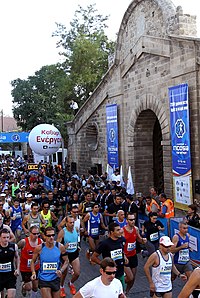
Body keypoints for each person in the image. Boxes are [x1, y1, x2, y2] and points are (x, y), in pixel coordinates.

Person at [30, 227, 68, 298]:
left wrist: (61, 270)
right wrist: (33, 272)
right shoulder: (39, 248)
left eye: (53, 235)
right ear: (44, 236)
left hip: (55, 279)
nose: (51, 237)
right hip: (44, 279)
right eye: (49, 235)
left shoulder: (60, 247)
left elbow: (66, 261)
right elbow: (32, 261)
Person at [91, 222, 127, 290]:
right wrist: (104, 264)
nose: (120, 232)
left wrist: (124, 257)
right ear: (111, 232)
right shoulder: (105, 243)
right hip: (109, 275)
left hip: (120, 273)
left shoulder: (122, 240)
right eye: (118, 230)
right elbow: (93, 257)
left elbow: (121, 250)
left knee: (121, 292)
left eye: (120, 229)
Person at [123, 212, 147, 295]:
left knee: (133, 279)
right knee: (130, 277)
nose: (132, 221)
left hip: (133, 255)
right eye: (130, 220)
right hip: (125, 257)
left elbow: (139, 239)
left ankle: (126, 292)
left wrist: (143, 241)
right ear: (127, 220)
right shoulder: (122, 231)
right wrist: (123, 255)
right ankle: (118, 282)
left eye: (133, 219)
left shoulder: (136, 229)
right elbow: (119, 244)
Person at [57, 215, 80, 297]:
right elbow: (57, 246)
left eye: (73, 222)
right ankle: (61, 287)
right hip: (65, 255)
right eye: (70, 222)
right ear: (66, 223)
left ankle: (70, 283)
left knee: (77, 273)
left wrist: (78, 246)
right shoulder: (62, 232)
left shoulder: (76, 229)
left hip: (74, 253)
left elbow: (76, 240)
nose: (72, 224)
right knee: (64, 273)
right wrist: (63, 247)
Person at [18, 225, 43, 297]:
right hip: (25, 268)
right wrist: (19, 254)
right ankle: (23, 286)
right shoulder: (24, 242)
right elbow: (16, 248)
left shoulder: (40, 241)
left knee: (35, 287)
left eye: (38, 234)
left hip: (36, 267)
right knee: (29, 287)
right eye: (34, 234)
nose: (36, 235)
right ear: (30, 233)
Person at [0, 228, 20, 298]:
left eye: (8, 237)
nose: (6, 239)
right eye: (4, 237)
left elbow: (17, 257)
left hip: (10, 275)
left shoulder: (14, 246)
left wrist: (17, 269)